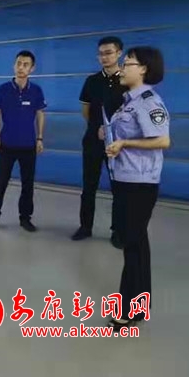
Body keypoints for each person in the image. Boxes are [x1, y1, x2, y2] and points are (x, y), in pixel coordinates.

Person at [102, 47, 170, 332]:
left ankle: (127, 310)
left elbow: (162, 140)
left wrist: (125, 143)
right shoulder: (127, 103)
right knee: (137, 243)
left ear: (143, 69)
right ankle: (140, 305)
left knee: (131, 245)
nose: (121, 68)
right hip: (124, 179)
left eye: (127, 63)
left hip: (140, 184)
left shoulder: (149, 102)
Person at [72, 37, 127, 248]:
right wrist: (97, 127)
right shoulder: (92, 81)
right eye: (101, 54)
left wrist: (116, 133)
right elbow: (86, 111)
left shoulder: (127, 80)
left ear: (119, 53)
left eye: (109, 53)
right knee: (89, 186)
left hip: (119, 145)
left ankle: (118, 231)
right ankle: (85, 226)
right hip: (93, 143)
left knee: (119, 189)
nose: (104, 57)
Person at [0, 51, 46, 232]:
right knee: (0, 184)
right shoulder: (3, 89)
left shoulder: (36, 91)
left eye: (25, 64)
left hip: (28, 146)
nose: (21, 67)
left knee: (28, 185)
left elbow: (40, 114)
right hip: (7, 145)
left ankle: (25, 218)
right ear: (14, 65)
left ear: (32, 68)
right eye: (18, 63)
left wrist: (40, 138)